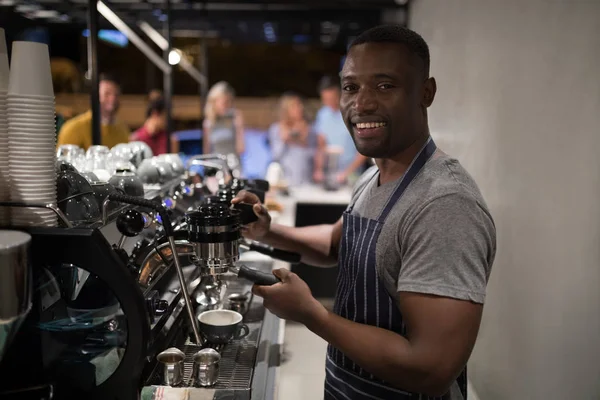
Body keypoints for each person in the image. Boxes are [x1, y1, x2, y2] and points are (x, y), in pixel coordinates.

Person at [232, 25, 496, 399]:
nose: (363, 103)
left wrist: (312, 314)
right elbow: (337, 246)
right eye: (351, 87)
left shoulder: (444, 204)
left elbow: (430, 368)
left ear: (426, 92)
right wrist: (267, 231)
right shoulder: (374, 176)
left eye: (384, 85)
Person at [313, 75, 367, 184]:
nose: (329, 102)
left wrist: (346, 173)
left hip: (353, 175)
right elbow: (321, 146)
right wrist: (318, 170)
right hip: (331, 174)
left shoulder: (354, 113)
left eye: (332, 99)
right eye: (325, 99)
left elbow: (365, 150)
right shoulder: (323, 115)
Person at [57, 73, 129, 150]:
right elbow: (62, 160)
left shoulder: (122, 129)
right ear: (95, 96)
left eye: (116, 94)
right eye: (107, 94)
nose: (113, 99)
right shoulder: (74, 128)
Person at [268, 93, 318, 186]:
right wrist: (286, 139)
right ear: (286, 110)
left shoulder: (309, 129)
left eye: (300, 105)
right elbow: (276, 155)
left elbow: (312, 155)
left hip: (305, 180)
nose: (300, 108)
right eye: (295, 106)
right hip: (284, 180)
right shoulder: (276, 129)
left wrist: (301, 139)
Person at [202, 81, 245, 166]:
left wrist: (239, 127)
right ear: (214, 102)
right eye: (223, 102)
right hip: (216, 166)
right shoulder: (208, 123)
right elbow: (206, 152)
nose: (226, 105)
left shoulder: (234, 118)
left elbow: (241, 148)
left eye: (228, 102)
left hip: (233, 164)